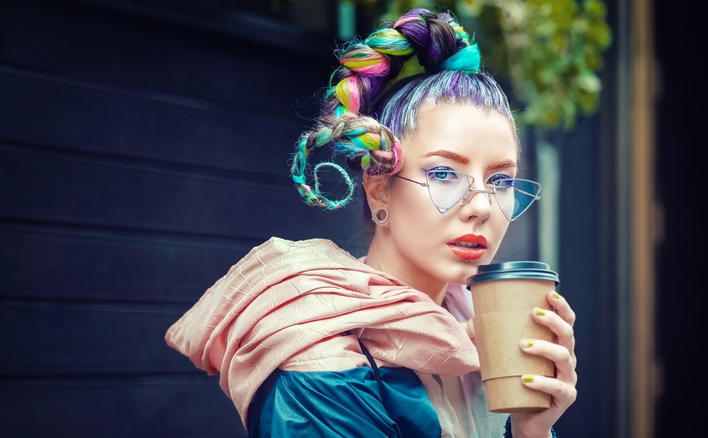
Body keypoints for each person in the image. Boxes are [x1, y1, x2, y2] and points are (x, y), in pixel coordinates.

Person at [165, 7, 577, 437]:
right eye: (443, 173)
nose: (483, 207)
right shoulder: (322, 362)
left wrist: (532, 429)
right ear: (379, 187)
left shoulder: (481, 335)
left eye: (500, 180)